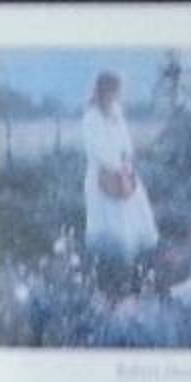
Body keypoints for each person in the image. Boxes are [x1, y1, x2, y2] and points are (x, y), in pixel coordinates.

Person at [78, 70, 157, 286]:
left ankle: (134, 271)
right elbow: (96, 147)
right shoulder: (91, 116)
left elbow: (125, 141)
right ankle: (108, 273)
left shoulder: (116, 111)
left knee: (133, 219)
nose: (116, 95)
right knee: (110, 225)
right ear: (103, 90)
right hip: (102, 176)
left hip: (123, 173)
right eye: (113, 90)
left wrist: (125, 161)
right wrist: (115, 165)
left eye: (117, 91)